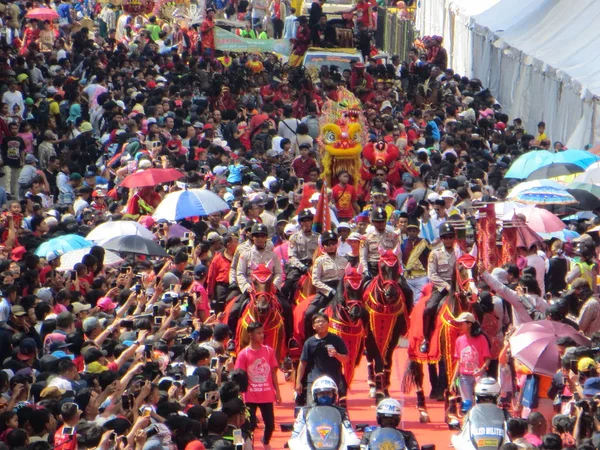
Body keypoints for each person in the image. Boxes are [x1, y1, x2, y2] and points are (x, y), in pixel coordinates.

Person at [235, 321, 281, 450]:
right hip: (250, 395)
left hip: (266, 394)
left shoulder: (269, 351)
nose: (262, 336)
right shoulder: (243, 354)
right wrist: (239, 395)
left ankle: (265, 440)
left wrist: (277, 391)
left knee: (270, 424)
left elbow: (273, 372)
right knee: (250, 424)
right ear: (250, 335)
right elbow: (239, 376)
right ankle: (250, 446)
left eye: (262, 333)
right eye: (258, 333)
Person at [420, 222, 461, 353]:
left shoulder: (459, 252)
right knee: (429, 308)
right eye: (445, 237)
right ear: (441, 239)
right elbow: (431, 274)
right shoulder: (435, 254)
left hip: (459, 287)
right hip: (441, 288)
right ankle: (425, 338)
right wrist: (447, 286)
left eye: (450, 237)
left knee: (476, 305)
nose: (448, 240)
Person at [295, 312, 349, 405]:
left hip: (332, 380)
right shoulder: (309, 342)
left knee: (332, 408)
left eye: (323, 321)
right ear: (313, 326)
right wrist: (298, 381)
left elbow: (346, 359)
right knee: (312, 408)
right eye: (318, 322)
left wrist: (336, 355)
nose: (321, 324)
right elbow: (303, 363)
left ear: (328, 323)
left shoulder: (336, 340)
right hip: (313, 380)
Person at [304, 231, 347, 339]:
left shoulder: (345, 260)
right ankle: (309, 340)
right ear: (323, 246)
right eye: (328, 244)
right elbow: (315, 281)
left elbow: (347, 278)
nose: (331, 246)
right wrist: (330, 291)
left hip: (342, 291)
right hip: (325, 292)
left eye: (333, 243)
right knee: (309, 313)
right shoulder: (320, 260)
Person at [290, 376, 358, 443]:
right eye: (322, 393)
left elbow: (350, 431)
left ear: (334, 395)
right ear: (315, 395)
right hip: (311, 445)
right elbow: (296, 433)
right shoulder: (305, 412)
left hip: (337, 446)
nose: (325, 396)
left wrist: (354, 440)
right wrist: (294, 441)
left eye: (328, 393)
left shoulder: (341, 412)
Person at [450, 312, 491, 413]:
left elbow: (488, 359)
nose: (459, 326)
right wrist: (453, 380)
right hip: (464, 377)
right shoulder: (459, 340)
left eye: (461, 323)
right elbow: (459, 361)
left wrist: (481, 370)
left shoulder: (481, 339)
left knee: (481, 404)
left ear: (469, 324)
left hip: (479, 376)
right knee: (467, 405)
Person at [281, 208, 319, 304]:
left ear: (312, 221)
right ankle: (287, 304)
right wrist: (302, 267)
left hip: (315, 266)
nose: (306, 223)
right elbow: (292, 257)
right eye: (303, 221)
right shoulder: (294, 237)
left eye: (308, 220)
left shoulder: (318, 238)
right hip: (299, 267)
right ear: (300, 223)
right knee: (286, 287)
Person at [360, 207, 401, 279]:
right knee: (362, 285)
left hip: (389, 268)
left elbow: (398, 254)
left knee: (405, 288)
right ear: (372, 222)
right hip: (373, 268)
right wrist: (365, 270)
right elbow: (363, 256)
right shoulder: (365, 238)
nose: (380, 224)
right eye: (377, 222)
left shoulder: (394, 236)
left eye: (383, 221)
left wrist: (399, 268)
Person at [401, 216, 430, 303]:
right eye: (410, 231)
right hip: (408, 277)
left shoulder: (424, 242)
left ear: (418, 232)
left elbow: (429, 258)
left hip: (422, 276)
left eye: (414, 231)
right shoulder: (402, 243)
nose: (412, 233)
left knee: (420, 300)